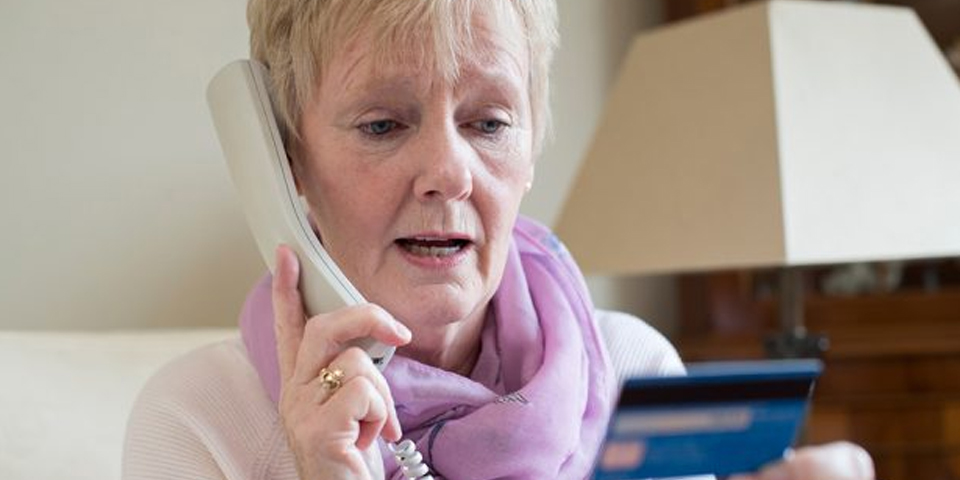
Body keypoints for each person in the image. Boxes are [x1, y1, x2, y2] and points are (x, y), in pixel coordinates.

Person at [123, 1, 875, 479]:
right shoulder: (200, 418)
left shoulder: (634, 371)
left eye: (488, 123)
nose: (449, 173)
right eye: (382, 124)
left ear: (532, 145)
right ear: (286, 164)